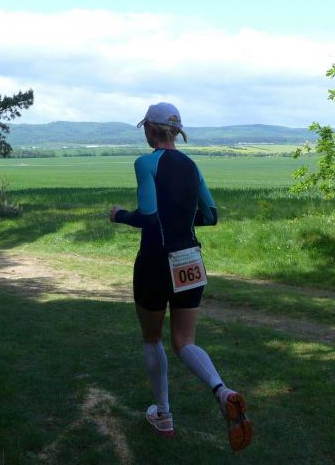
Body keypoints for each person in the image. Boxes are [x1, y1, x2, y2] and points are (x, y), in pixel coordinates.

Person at [109, 102, 252, 451]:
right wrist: (182, 221)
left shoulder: (146, 163)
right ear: (176, 131)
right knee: (185, 341)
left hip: (156, 261)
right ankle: (223, 391)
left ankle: (164, 415)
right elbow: (211, 215)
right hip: (190, 257)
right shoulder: (192, 165)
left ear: (150, 130)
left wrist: (119, 215)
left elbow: (148, 217)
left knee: (152, 338)